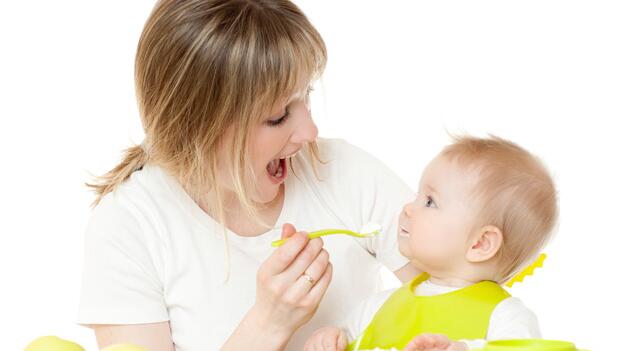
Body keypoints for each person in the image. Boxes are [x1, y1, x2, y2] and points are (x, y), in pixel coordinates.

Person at [76, 1, 418, 350]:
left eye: (306, 96)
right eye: (279, 115)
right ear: (197, 127)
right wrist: (268, 325)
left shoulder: (341, 170)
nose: (309, 131)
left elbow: (461, 288)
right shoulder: (131, 225)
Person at [304, 135, 558, 351]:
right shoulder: (377, 307)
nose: (408, 208)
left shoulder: (505, 316)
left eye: (429, 202)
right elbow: (349, 341)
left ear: (480, 244)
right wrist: (331, 340)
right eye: (418, 196)